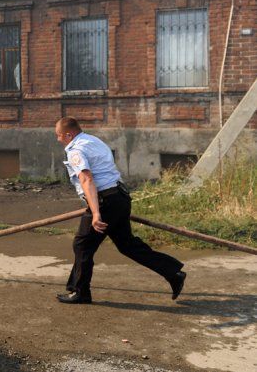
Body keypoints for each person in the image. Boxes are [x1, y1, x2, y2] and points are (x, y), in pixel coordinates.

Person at [55, 117, 186, 304]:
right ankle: (173, 272)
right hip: (119, 197)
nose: (58, 139)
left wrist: (96, 213)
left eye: (59, 135)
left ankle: (81, 292)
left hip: (105, 203)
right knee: (127, 245)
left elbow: (86, 179)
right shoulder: (93, 141)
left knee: (82, 244)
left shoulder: (76, 150)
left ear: (68, 135)